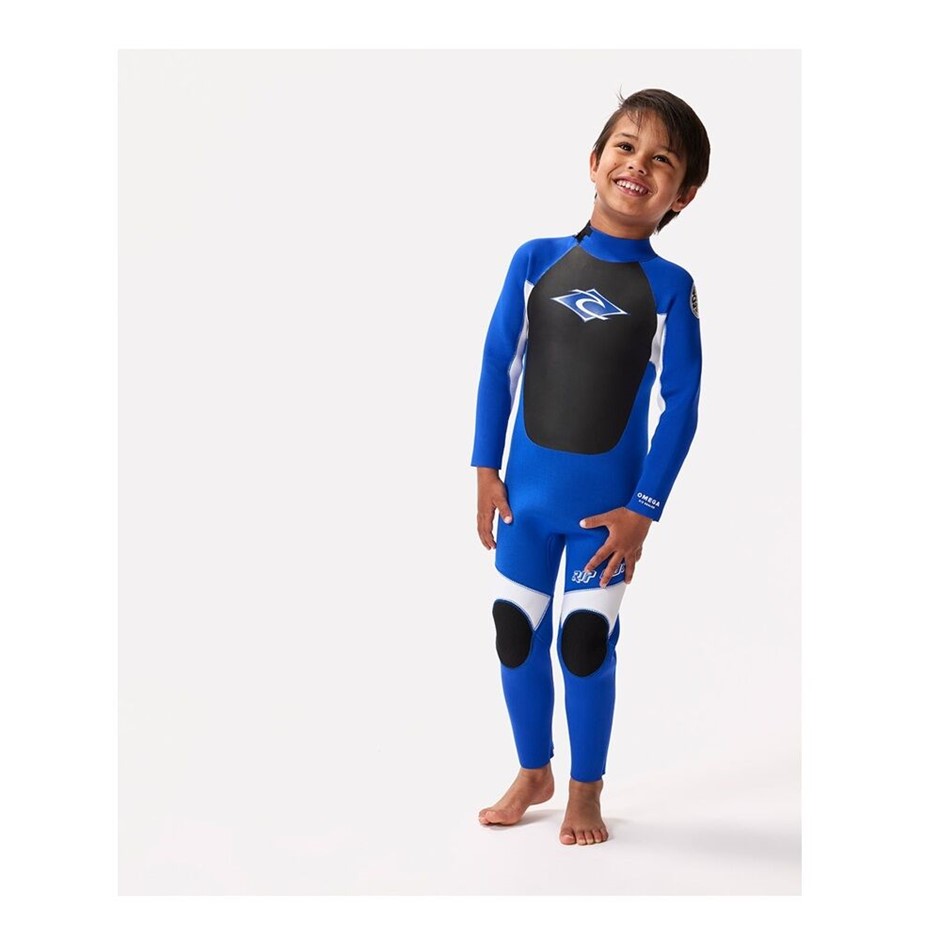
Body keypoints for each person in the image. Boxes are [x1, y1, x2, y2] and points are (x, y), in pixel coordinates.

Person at [471, 88, 710, 846]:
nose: (638, 165)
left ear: (683, 195)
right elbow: (498, 365)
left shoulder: (669, 288)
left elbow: (683, 407)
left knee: (584, 645)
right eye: (626, 147)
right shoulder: (536, 261)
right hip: (525, 502)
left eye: (662, 160)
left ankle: (585, 790)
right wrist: (484, 466)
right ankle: (533, 771)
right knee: (514, 631)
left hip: (607, 517)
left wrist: (643, 512)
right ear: (595, 160)